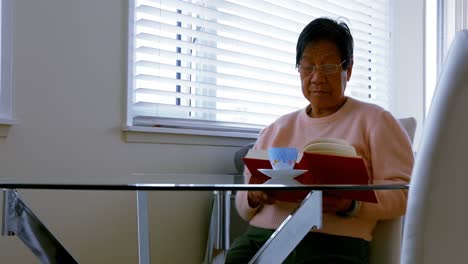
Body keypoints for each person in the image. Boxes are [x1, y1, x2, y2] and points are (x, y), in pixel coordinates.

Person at [225, 17, 414, 264]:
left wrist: (352, 204)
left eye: (328, 67)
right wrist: (254, 196)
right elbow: (243, 204)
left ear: (349, 68)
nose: (316, 78)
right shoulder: (277, 128)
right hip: (263, 237)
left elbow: (405, 191)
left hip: (333, 243)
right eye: (307, 67)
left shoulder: (376, 121)